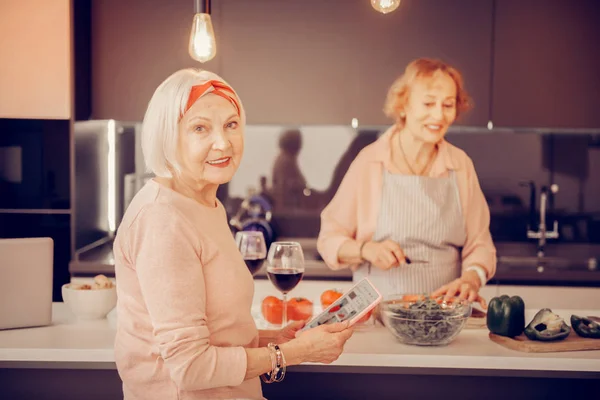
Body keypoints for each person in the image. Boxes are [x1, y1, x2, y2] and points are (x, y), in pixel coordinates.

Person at [113, 69, 353, 400]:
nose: (223, 142)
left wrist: (274, 339)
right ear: (167, 137)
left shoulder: (205, 204)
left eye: (231, 124)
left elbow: (218, 331)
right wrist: (298, 353)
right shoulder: (162, 219)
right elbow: (190, 366)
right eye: (200, 128)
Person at [317, 58, 496, 307]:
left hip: (445, 313)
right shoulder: (370, 161)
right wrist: (365, 249)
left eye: (447, 105)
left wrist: (471, 279)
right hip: (377, 313)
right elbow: (328, 239)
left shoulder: (460, 164)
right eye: (428, 103)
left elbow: (480, 244)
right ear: (404, 106)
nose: (438, 115)